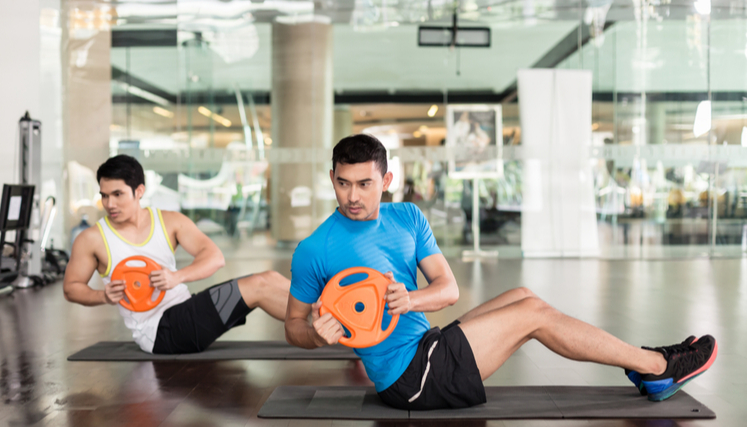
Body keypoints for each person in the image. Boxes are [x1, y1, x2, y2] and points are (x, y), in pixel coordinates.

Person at [284, 134, 717, 410]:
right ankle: (658, 366)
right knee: (535, 317)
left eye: (364, 184)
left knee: (525, 295)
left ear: (387, 180)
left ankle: (645, 368)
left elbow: (448, 289)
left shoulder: (408, 217)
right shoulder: (314, 249)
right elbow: (293, 327)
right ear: (332, 178)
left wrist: (411, 299)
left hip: (426, 344)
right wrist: (315, 335)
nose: (353, 195)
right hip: (410, 379)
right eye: (343, 183)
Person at [63, 155, 290, 354]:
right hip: (159, 332)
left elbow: (214, 257)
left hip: (185, 311)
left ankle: (321, 312)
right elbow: (71, 287)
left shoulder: (168, 221)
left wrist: (176, 277)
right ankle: (318, 320)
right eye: (104, 196)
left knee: (268, 278)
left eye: (117, 194)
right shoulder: (92, 238)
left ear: (139, 191)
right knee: (258, 285)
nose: (109, 203)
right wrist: (103, 296)